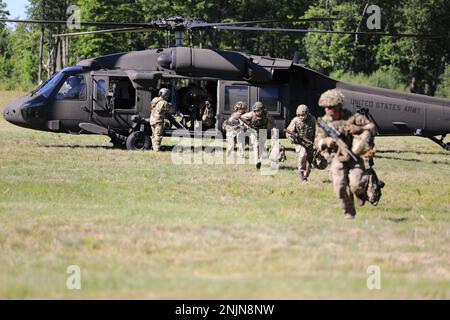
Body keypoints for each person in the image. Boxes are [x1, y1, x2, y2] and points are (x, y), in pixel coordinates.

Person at [315, 89, 376, 219]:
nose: (327, 110)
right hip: (337, 157)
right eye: (326, 107)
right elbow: (318, 141)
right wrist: (326, 141)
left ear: (338, 107)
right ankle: (349, 213)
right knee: (340, 188)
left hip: (354, 156)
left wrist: (359, 128)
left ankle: (362, 190)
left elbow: (372, 127)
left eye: (331, 107)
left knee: (356, 185)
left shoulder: (352, 117)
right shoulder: (323, 122)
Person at [286, 104, 316, 182]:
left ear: (307, 114)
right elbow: (288, 132)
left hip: (310, 143)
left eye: (304, 115)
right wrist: (292, 138)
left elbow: (317, 132)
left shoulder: (312, 120)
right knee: (303, 154)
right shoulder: (295, 120)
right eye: (300, 115)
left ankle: (306, 176)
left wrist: (317, 143)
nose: (302, 117)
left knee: (310, 161)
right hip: (300, 143)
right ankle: (301, 173)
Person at [240, 102, 272, 170]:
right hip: (254, 131)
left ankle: (260, 161)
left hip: (263, 131)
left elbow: (271, 121)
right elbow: (241, 118)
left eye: (259, 111)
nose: (257, 112)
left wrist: (273, 127)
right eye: (256, 111)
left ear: (262, 110)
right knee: (256, 145)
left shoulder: (266, 114)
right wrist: (246, 125)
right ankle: (256, 162)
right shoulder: (251, 114)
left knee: (261, 146)